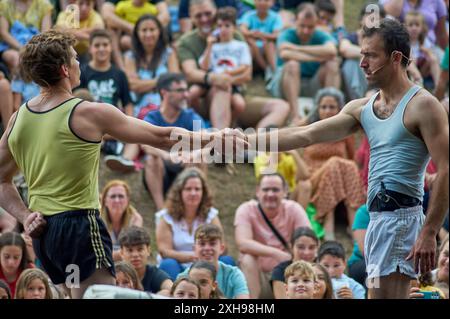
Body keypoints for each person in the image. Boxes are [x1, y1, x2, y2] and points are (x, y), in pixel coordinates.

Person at [0, 30, 242, 299]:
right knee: (102, 297)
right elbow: (160, 136)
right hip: (79, 227)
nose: (81, 63)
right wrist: (214, 136)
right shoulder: (87, 112)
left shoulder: (18, 118)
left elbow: (1, 180)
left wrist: (24, 216)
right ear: (64, 69)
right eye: (76, 58)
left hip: (44, 235)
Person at [245, 18, 449, 299]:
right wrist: (243, 138)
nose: (362, 63)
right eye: (362, 54)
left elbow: (447, 168)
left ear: (395, 58)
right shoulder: (362, 107)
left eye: (370, 55)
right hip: (377, 218)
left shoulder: (424, 105)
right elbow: (305, 134)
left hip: (402, 217)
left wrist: (430, 231)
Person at [106, 73, 208, 208]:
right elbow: (145, 144)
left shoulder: (190, 115)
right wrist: (167, 156)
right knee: (152, 159)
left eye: (186, 90)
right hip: (162, 170)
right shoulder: (153, 116)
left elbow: (207, 141)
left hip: (186, 167)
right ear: (164, 93)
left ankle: (198, 208)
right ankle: (161, 210)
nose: (186, 95)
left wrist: (193, 155)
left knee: (200, 159)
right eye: (180, 90)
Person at [297, 87, 365, 240]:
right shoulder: (309, 127)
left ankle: (350, 224)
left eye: (332, 107)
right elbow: (289, 137)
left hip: (338, 177)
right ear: (317, 108)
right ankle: (343, 226)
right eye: (324, 107)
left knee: (342, 165)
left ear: (339, 109)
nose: (328, 111)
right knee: (335, 162)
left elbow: (350, 158)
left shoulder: (344, 131)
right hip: (312, 177)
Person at [234, 173, 311, 298]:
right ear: (258, 191)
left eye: (275, 190)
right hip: (258, 276)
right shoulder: (246, 209)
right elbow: (242, 243)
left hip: (288, 275)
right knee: (247, 258)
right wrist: (277, 254)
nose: (270, 194)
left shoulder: (294, 209)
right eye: (266, 190)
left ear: (285, 192)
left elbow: (309, 240)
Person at [266, 3, 340, 123]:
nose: (306, 31)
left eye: (310, 27)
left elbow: (332, 51)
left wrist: (296, 49)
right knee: (292, 65)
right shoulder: (286, 34)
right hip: (285, 84)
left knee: (332, 64)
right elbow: (285, 54)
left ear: (316, 24)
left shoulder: (321, 35)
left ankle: (331, 116)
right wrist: (318, 56)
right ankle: (295, 116)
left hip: (312, 82)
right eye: (302, 26)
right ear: (295, 21)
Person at [156, 167, 233, 280]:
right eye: (188, 189)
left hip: (207, 264)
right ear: (179, 192)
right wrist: (193, 257)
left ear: (203, 192)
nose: (193, 193)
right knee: (168, 263)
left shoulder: (211, 215)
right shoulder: (166, 217)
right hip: (178, 266)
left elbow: (222, 247)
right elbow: (164, 251)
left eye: (197, 189)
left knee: (227, 261)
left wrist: (205, 256)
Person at [199, 6, 252, 127]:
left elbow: (244, 66)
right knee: (222, 87)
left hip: (233, 84)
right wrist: (209, 46)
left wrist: (227, 74)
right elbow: (204, 67)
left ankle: (227, 126)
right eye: (219, 26)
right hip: (215, 85)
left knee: (239, 104)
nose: (223, 29)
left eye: (227, 26)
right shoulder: (213, 47)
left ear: (234, 27)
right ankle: (218, 128)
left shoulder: (241, 45)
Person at [124, 14, 179, 117]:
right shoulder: (130, 56)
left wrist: (142, 84)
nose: (148, 34)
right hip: (138, 109)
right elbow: (132, 86)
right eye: (144, 30)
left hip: (165, 107)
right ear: (137, 33)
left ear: (159, 31)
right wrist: (161, 80)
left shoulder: (169, 53)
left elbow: (175, 82)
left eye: (152, 29)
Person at [178, 224, 250, 299]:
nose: (207, 248)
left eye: (212, 244)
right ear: (194, 248)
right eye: (202, 244)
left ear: (221, 248)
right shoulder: (184, 276)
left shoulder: (233, 274)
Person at [0, 0, 53, 74]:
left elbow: (45, 32)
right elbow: (3, 33)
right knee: (17, 59)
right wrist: (21, 48)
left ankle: (38, 84)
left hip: (37, 45)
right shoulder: (5, 4)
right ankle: (17, 84)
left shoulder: (44, 4)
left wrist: (33, 48)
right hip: (11, 46)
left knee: (42, 59)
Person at [118, 226, 172, 295]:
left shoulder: (154, 274)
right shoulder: (114, 274)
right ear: (121, 253)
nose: (135, 255)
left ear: (148, 250)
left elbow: (171, 289)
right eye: (130, 250)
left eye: (140, 249)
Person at [99, 180, 143, 260]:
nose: (117, 200)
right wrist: (123, 253)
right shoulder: (97, 220)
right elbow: (98, 254)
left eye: (121, 196)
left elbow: (132, 251)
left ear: (128, 200)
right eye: (113, 196)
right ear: (105, 201)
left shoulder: (135, 219)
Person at [239, 0, 283, 80]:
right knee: (250, 44)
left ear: (272, 2)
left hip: (268, 51)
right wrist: (253, 35)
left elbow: (277, 35)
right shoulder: (248, 15)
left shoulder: (275, 17)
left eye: (266, 0)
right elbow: (242, 30)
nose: (262, 3)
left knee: (270, 44)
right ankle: (266, 70)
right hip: (253, 49)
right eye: (259, 0)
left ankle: (274, 71)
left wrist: (261, 35)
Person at [271, 226, 319, 299]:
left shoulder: (322, 268)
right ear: (291, 247)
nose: (306, 252)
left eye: (311, 247)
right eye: (301, 247)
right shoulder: (280, 271)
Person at [404, 11, 441, 88]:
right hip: (409, 70)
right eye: (410, 25)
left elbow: (431, 55)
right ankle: (418, 83)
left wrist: (426, 51)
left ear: (422, 27)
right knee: (411, 60)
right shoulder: (404, 41)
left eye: (417, 25)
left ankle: (439, 85)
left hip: (422, 68)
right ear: (405, 27)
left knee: (433, 59)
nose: (414, 28)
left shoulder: (423, 41)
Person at [0, 232, 34, 297]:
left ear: (22, 255)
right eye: (6, 256)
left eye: (16, 257)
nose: (11, 262)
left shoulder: (30, 272)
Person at [347, 204, 369, 288]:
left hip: (390, 262)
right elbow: (364, 251)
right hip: (361, 261)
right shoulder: (365, 211)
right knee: (374, 269)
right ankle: (370, 296)